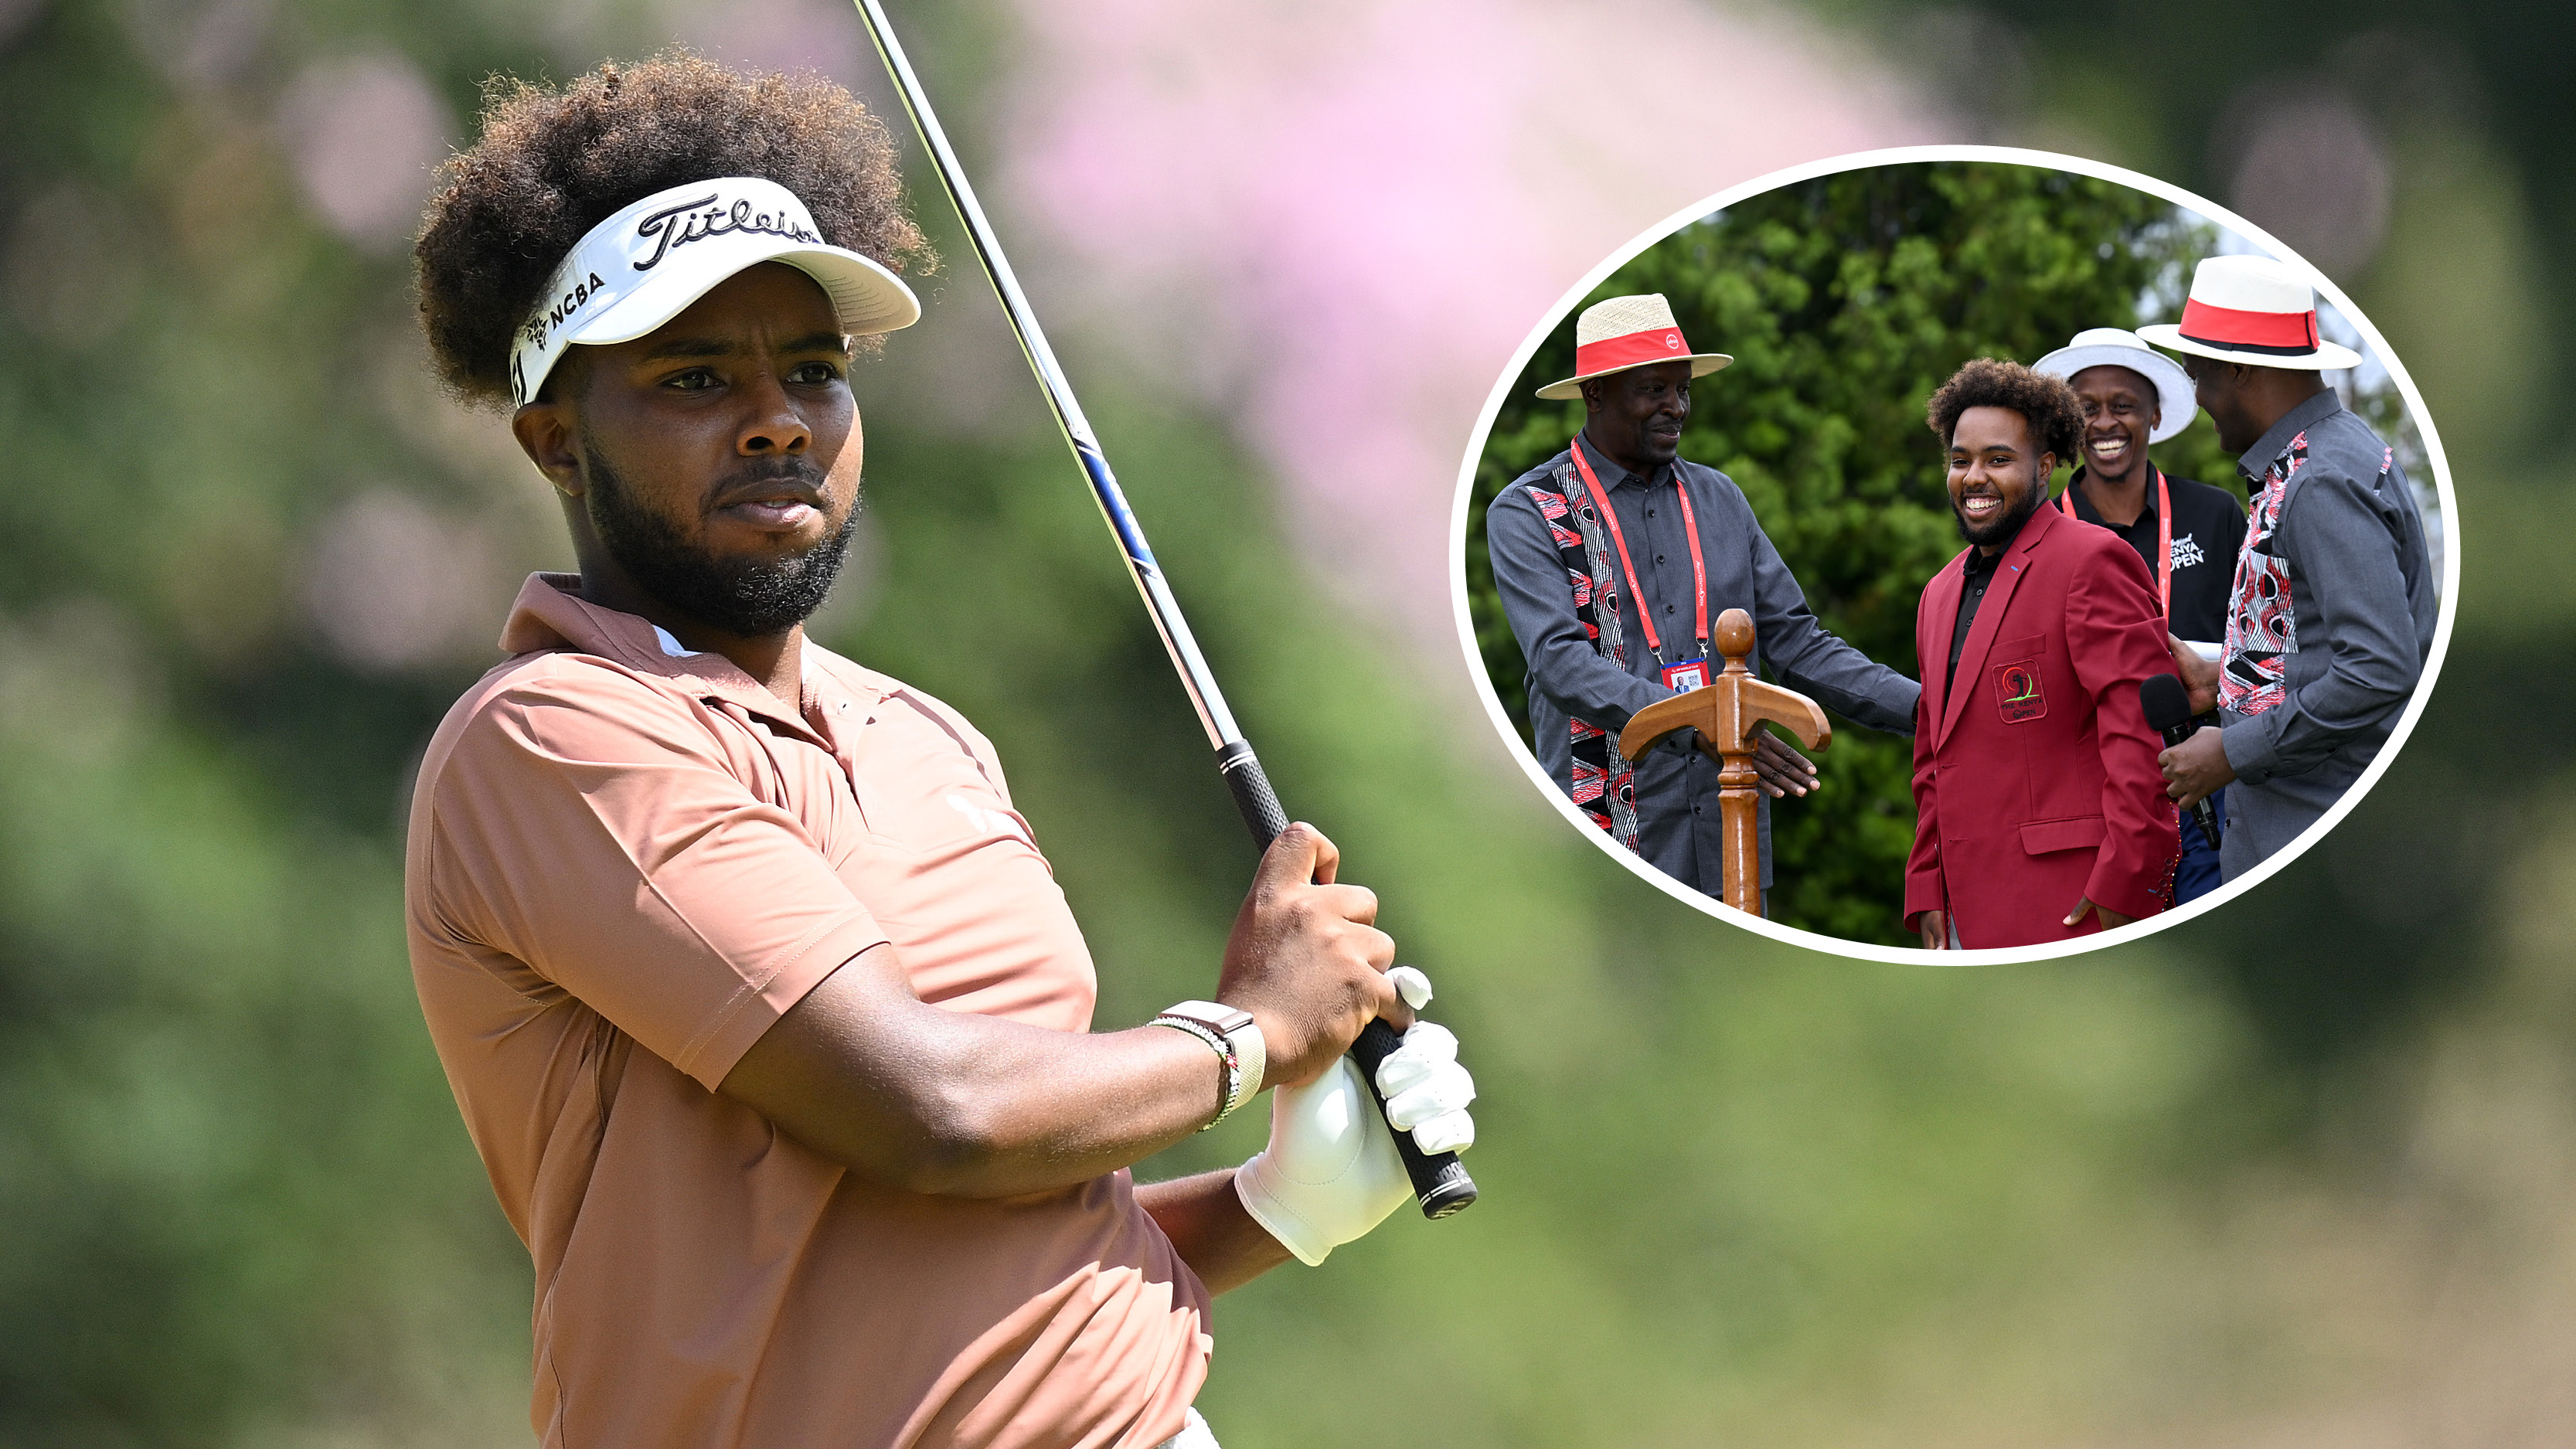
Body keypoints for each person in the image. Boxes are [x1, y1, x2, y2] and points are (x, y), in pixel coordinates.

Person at [401, 57, 1474, 1449]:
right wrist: (1247, 1037)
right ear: (557, 440)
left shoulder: (928, 737)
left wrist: (1274, 1208)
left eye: (812, 369)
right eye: (693, 376)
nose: (777, 415)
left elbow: (978, 1258)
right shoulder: (552, 741)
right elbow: (935, 1115)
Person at [1485, 293, 1918, 907]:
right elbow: (1561, 665)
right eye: (1654, 389)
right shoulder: (1528, 511)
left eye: (1683, 389)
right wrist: (1701, 721)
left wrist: (1932, 710)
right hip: (1607, 832)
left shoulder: (1719, 498)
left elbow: (1797, 642)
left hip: (1729, 835)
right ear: (1595, 394)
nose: (1677, 408)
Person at [2139, 254, 2436, 880]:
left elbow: (2381, 666)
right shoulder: (2319, 458)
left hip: (2311, 833)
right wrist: (2222, 677)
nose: (2198, 399)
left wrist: (2232, 750)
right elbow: (2322, 643)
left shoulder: (2318, 480)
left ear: (2241, 369)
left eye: (2200, 377)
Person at [1906, 359, 2178, 950]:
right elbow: (1931, 758)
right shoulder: (1936, 594)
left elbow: (2140, 739)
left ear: (2045, 467)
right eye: (1960, 460)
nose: (1973, 477)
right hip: (1961, 915)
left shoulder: (2092, 560)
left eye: (1997, 459)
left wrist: (2127, 885)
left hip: (2075, 903)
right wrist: (1925, 886)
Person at [2032, 327, 2248, 903]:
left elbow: (2276, 643)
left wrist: (2214, 673)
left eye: (2123, 405)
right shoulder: (2039, 537)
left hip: (2214, 785)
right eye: (2087, 410)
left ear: (2153, 415)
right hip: (2098, 800)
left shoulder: (2215, 513)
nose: (2105, 423)